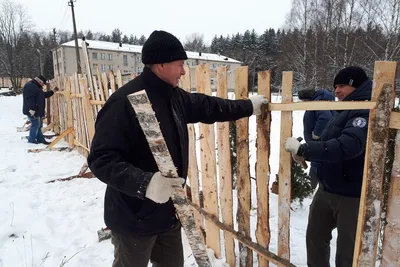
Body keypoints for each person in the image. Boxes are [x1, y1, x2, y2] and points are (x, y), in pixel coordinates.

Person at [87, 30, 268, 267]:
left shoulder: (174, 97)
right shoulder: (124, 102)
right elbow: (101, 159)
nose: (183, 71)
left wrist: (247, 107)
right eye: (180, 65)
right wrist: (145, 183)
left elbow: (209, 106)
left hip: (168, 215)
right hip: (134, 218)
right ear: (160, 64)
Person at [284, 66, 372, 267]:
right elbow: (330, 142)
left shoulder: (364, 111)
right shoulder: (344, 109)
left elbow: (349, 146)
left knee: (347, 253)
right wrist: (305, 154)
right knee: (315, 239)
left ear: (356, 86)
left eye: (342, 85)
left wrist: (306, 149)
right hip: (326, 189)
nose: (337, 91)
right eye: (335, 87)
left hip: (352, 196)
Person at [298, 88, 336, 189]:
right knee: (320, 162)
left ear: (307, 99)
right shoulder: (323, 100)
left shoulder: (318, 103)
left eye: (303, 101)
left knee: (316, 162)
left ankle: (310, 187)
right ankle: (317, 185)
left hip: (319, 141)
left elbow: (325, 118)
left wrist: (317, 133)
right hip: (325, 140)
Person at [22, 75, 58, 144]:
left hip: (36, 110)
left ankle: (40, 139)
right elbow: (28, 99)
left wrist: (52, 91)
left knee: (39, 125)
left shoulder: (35, 86)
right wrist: (31, 110)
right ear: (39, 81)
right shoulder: (31, 86)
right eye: (43, 83)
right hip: (33, 111)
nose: (43, 85)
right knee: (35, 124)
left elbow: (42, 95)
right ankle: (31, 140)